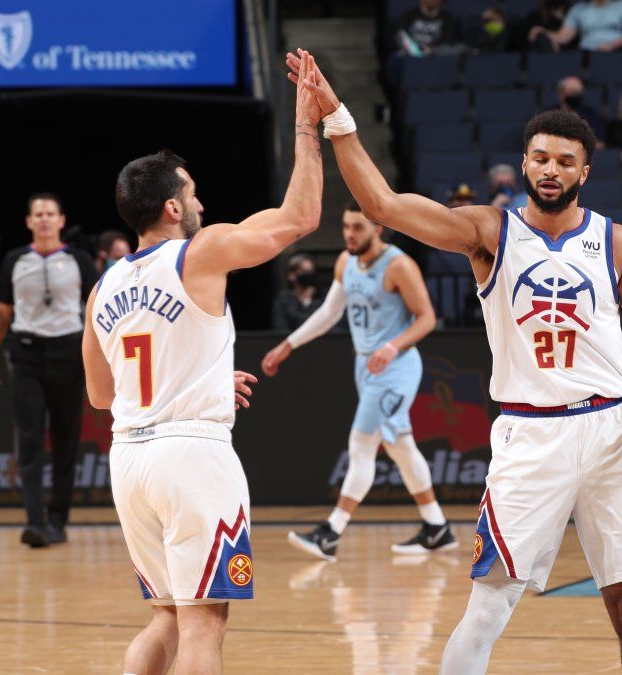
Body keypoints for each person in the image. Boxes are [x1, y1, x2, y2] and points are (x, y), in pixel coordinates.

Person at [289, 51, 622, 675]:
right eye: (541, 158)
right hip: (531, 434)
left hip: (613, 430)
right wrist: (338, 118)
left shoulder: (615, 243)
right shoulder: (490, 232)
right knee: (488, 605)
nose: (551, 170)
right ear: (524, 163)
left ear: (585, 170)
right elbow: (385, 206)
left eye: (565, 161)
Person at [83, 51, 323, 675]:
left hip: (129, 460)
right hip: (191, 456)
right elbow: (301, 218)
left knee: (165, 617)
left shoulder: (102, 288)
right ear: (171, 207)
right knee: (203, 621)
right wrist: (308, 125)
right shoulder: (200, 251)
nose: (200, 202)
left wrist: (200, 376)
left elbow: (102, 396)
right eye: (191, 193)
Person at [263, 201, 455, 561]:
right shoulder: (345, 261)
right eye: (346, 226)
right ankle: (437, 527)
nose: (349, 235)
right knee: (399, 446)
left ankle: (331, 533)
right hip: (365, 364)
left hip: (395, 367)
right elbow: (329, 312)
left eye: (357, 228)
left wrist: (392, 346)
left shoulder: (398, 265)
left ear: (378, 228)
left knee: (361, 445)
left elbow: (427, 318)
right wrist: (289, 344)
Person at [0, 194, 97, 549]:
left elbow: (95, 308)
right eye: (38, 214)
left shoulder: (79, 259)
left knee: (65, 438)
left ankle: (58, 520)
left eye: (50, 213)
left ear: (61, 220)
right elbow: (2, 311)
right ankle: (34, 521)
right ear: (29, 221)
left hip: (68, 352)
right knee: (29, 440)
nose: (44, 219)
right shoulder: (15, 260)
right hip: (26, 353)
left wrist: (102, 356)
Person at [547, 0, 622, 53]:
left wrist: (614, 45)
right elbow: (563, 37)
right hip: (587, 55)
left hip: (618, 53)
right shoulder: (578, 9)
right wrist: (544, 33)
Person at [271, 253, 323, 331]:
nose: (307, 275)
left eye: (310, 271)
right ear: (291, 275)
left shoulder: (324, 297)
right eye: (303, 271)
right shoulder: (284, 300)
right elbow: (280, 328)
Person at [552, 76, 605, 146]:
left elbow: (600, 143)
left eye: (579, 93)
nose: (576, 96)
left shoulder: (592, 115)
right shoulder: (550, 114)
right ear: (561, 94)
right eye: (573, 92)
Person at [394, 0, 459, 56]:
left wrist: (433, 50)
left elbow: (449, 44)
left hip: (435, 59)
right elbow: (400, 35)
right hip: (409, 56)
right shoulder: (409, 16)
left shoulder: (448, 19)